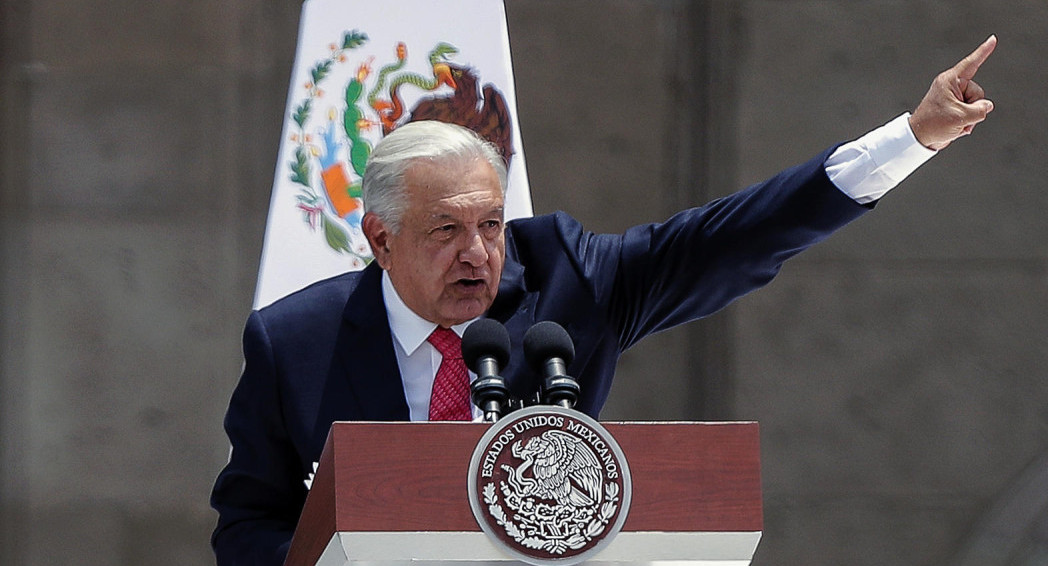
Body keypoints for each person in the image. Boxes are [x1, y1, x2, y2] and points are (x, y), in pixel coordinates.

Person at [211, 36, 997, 564]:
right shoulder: (294, 340)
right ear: (380, 241)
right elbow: (248, 521)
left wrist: (912, 139)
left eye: (491, 224)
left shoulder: (565, 280)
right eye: (445, 231)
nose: (478, 254)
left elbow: (732, 238)